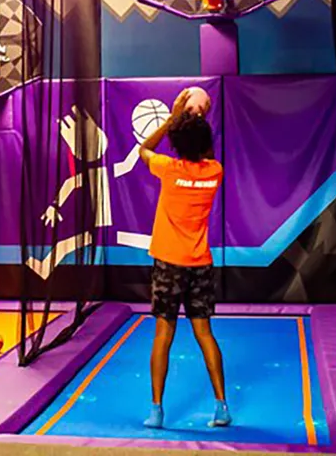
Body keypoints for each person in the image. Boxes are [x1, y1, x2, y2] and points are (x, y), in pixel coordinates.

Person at [138, 88, 231, 429]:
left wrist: (174, 117)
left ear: (177, 143)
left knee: (164, 334)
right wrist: (197, 120)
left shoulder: (165, 167)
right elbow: (202, 150)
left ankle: (157, 410)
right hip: (200, 264)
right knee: (204, 333)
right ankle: (222, 406)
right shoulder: (215, 172)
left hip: (168, 263)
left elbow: (143, 149)